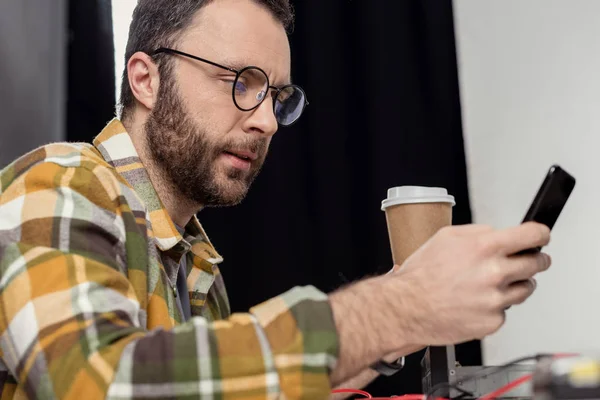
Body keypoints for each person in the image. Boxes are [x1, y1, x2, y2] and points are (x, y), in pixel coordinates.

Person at [0, 0, 552, 398]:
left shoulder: (196, 264)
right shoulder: (61, 182)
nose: (266, 120)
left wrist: (408, 312)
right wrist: (397, 309)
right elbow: (93, 381)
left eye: (277, 96)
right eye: (241, 81)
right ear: (146, 79)